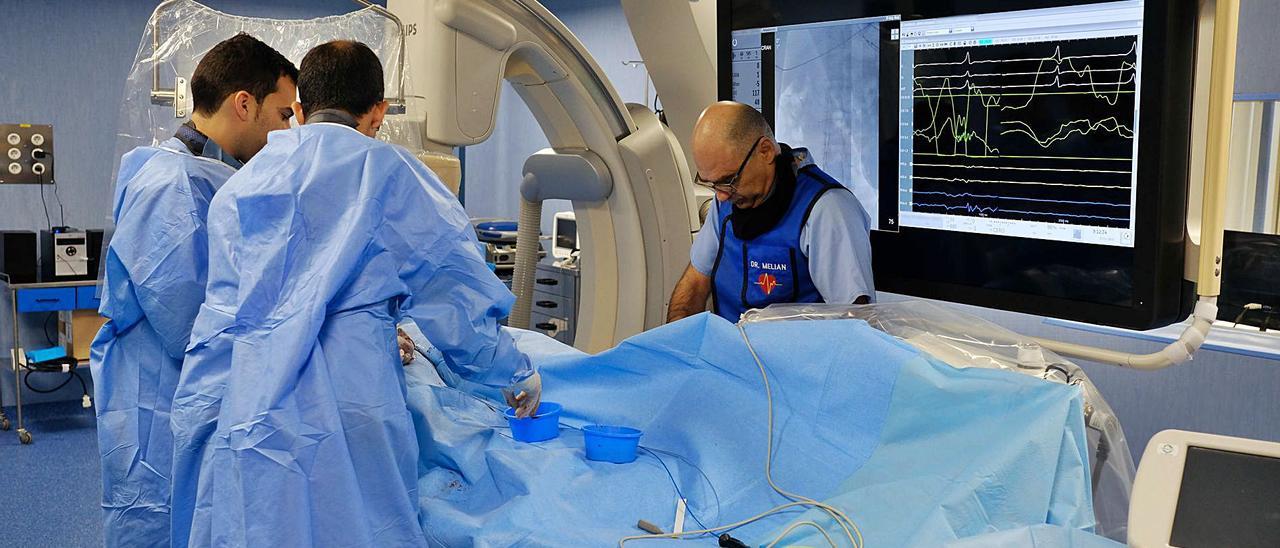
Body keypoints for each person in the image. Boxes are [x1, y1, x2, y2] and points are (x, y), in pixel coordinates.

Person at [168, 40, 542, 547]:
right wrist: (513, 371)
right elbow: (455, 300)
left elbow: (223, 317)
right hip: (353, 394)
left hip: (252, 391)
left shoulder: (241, 186)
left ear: (299, 109)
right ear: (378, 112)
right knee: (362, 525)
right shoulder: (393, 174)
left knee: (263, 522)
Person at [88, 33, 297, 548]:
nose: (290, 128)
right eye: (284, 113)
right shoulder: (171, 187)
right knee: (162, 522)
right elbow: (193, 321)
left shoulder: (206, 178)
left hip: (184, 391)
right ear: (244, 104)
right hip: (158, 399)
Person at [666, 101, 875, 323]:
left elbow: (855, 322)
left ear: (765, 151)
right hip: (728, 351)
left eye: (729, 180)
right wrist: (678, 342)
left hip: (796, 355)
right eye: (712, 183)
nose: (721, 196)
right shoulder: (726, 202)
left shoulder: (827, 209)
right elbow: (694, 285)